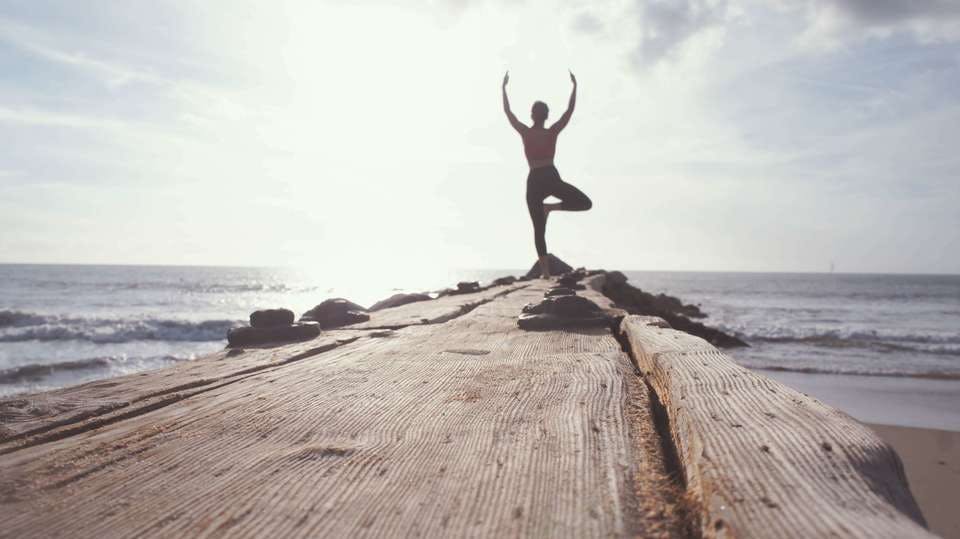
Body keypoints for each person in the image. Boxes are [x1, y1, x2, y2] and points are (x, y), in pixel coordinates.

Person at [502, 70, 592, 279]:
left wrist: (503, 89)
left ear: (532, 114)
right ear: (546, 115)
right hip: (550, 176)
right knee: (584, 203)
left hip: (535, 179)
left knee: (538, 228)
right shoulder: (551, 132)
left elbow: (508, 113)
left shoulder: (526, 132)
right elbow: (569, 111)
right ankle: (550, 208)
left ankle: (545, 273)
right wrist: (574, 87)